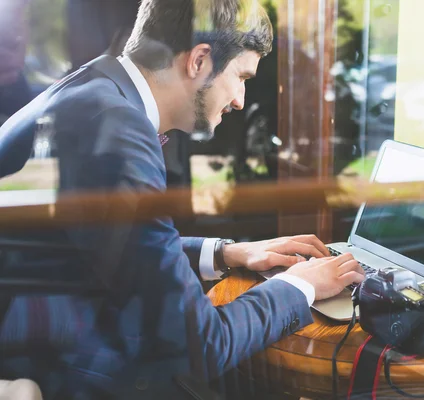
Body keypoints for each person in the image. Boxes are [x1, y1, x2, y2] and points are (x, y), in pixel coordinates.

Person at [0, 0, 365, 398]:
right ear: (200, 61)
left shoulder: (97, 87)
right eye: (241, 77)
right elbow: (202, 346)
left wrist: (227, 252)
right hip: (51, 367)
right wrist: (300, 287)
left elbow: (115, 242)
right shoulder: (115, 130)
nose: (241, 99)